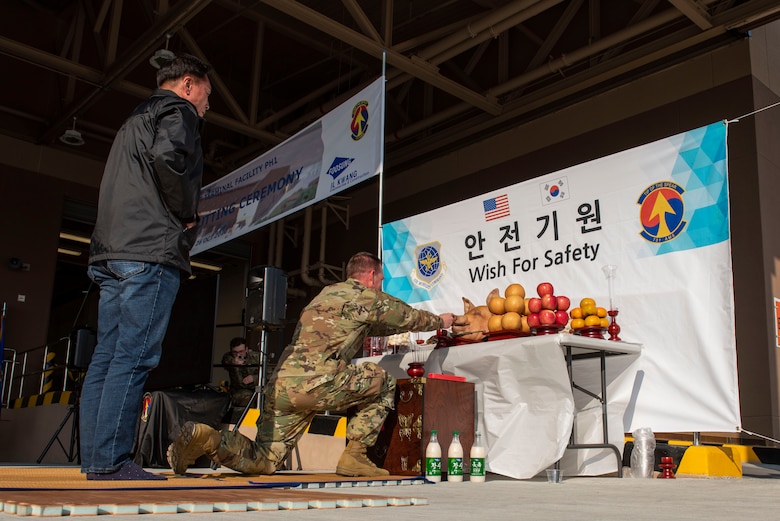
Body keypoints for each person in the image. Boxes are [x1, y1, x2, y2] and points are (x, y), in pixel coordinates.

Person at [167, 251, 456, 477]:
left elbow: (372, 327)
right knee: (383, 380)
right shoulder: (363, 295)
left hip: (282, 386)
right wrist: (438, 322)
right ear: (370, 275)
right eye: (380, 281)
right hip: (318, 382)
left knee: (264, 459)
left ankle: (208, 439)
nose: (380, 286)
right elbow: (404, 316)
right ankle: (354, 456)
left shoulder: (325, 295)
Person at [79, 52, 211, 481]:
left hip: (111, 250)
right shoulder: (178, 111)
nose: (206, 106)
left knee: (106, 357)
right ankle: (113, 462)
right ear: (189, 84)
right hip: (147, 251)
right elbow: (168, 160)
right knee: (134, 358)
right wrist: (187, 213)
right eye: (206, 96)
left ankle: (95, 460)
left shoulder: (134, 119)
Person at [221, 337, 260, 408]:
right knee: (248, 397)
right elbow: (225, 361)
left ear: (246, 350)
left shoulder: (256, 357)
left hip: (257, 388)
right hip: (238, 391)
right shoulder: (229, 357)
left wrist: (254, 378)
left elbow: (269, 373)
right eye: (235, 352)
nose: (238, 354)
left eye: (241, 351)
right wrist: (233, 362)